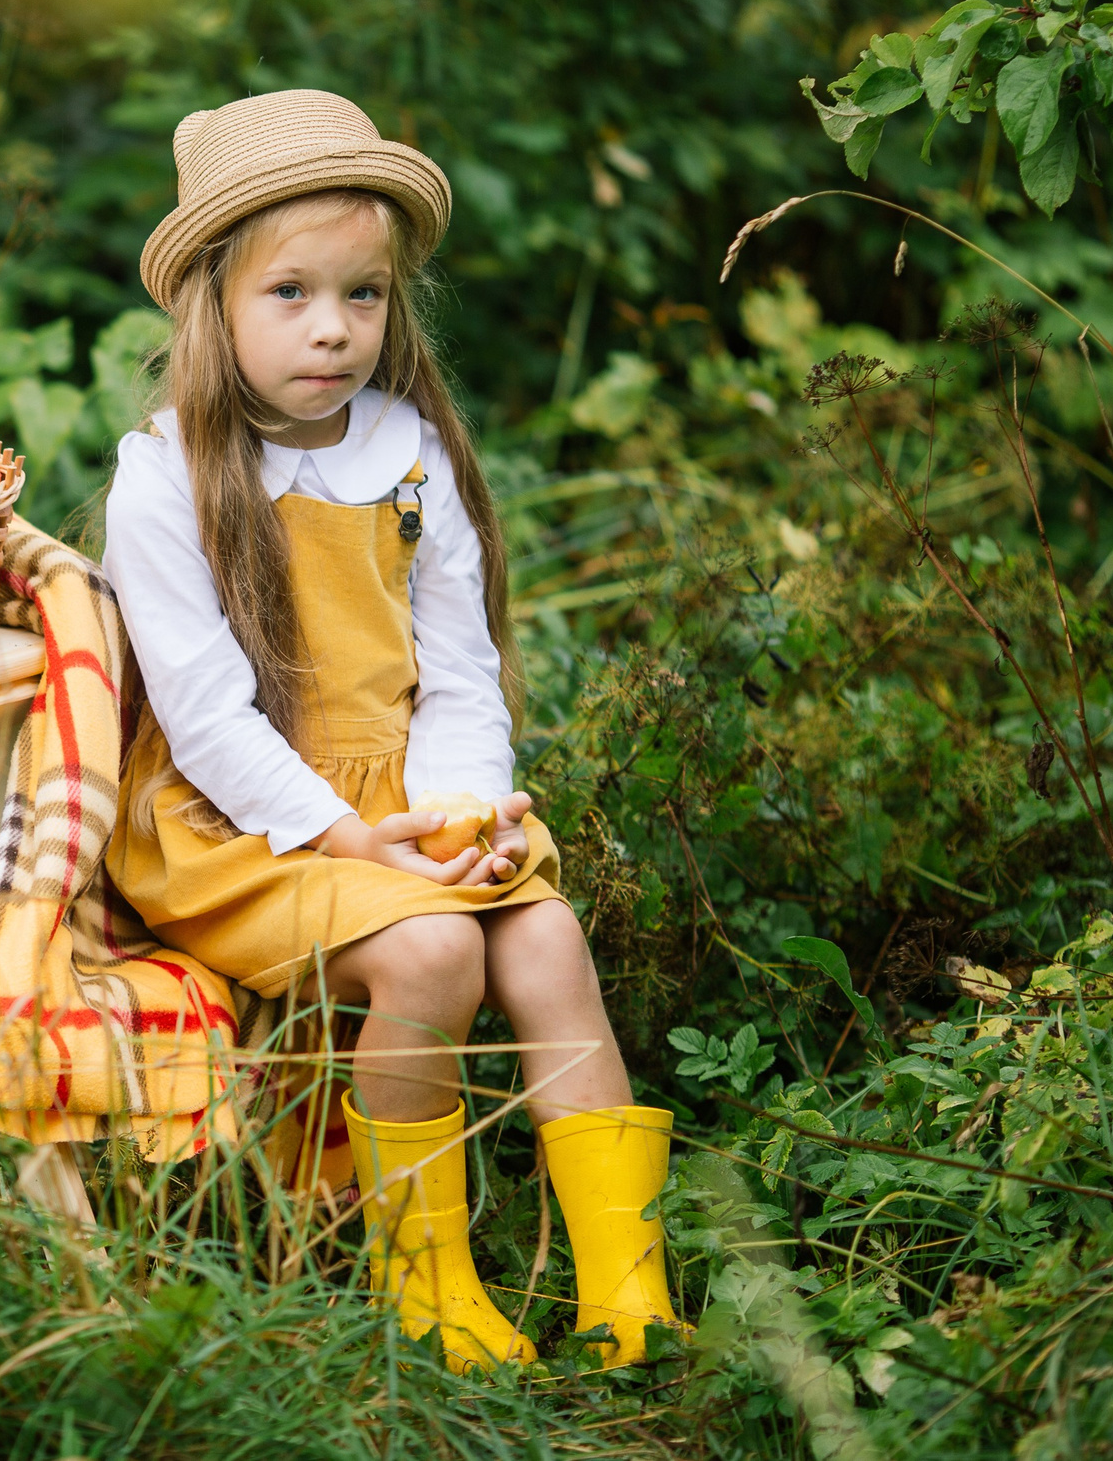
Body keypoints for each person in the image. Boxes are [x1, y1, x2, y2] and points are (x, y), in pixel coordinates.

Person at [99, 89, 684, 1372]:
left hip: (407, 802)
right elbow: (204, 719)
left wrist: (465, 811)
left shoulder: (409, 448)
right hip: (246, 822)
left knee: (543, 937)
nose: (333, 329)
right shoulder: (167, 477)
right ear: (211, 300)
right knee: (428, 957)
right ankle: (427, 1282)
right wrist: (364, 843)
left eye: (362, 296)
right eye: (291, 294)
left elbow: (460, 668)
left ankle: (623, 1279)